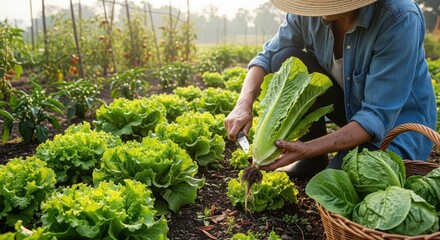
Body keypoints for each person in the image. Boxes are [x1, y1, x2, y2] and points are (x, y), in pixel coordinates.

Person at [224, 0, 437, 179]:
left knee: (339, 181)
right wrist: (243, 104)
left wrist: (305, 149)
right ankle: (312, 161)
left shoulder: (399, 18)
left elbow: (376, 116)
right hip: (352, 107)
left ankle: (317, 156)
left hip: (398, 125)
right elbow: (268, 56)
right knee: (285, 57)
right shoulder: (309, 10)